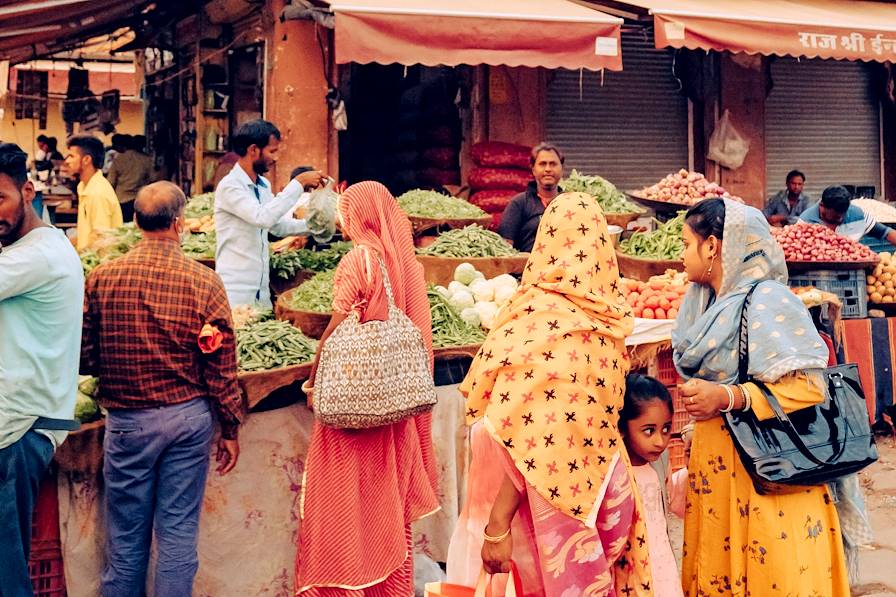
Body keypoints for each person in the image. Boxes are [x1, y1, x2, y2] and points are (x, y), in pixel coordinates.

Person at [448, 191, 652, 595]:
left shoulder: (526, 320)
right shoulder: (608, 326)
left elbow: (530, 443)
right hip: (604, 497)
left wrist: (496, 526)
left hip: (543, 512)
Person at [673, 197, 849, 595]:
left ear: (713, 246)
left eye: (687, 244)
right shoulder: (702, 303)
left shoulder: (768, 300)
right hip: (717, 470)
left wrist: (728, 397)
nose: (682, 256)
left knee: (771, 577)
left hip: (768, 476)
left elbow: (809, 387)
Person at [81, 181, 244, 596]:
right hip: (188, 420)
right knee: (177, 530)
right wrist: (230, 428)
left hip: (128, 423)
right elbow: (221, 366)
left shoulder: (101, 278)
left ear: (135, 221)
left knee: (126, 535)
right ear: (180, 223)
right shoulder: (204, 282)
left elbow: (85, 357)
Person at [295, 181, 439, 595]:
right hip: (393, 406)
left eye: (345, 213)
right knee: (383, 500)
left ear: (360, 216)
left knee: (345, 501)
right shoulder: (406, 264)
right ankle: (388, 583)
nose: (341, 223)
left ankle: (345, 582)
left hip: (355, 405)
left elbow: (339, 322)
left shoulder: (359, 259)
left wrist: (316, 369)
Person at [0, 143, 83, 594]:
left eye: (0, 199)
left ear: (28, 191)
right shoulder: (39, 246)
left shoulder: (34, 256)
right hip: (22, 425)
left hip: (16, 433)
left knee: (6, 574)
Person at [214, 119, 326, 307]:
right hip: (235, 291)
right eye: (272, 151)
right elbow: (262, 217)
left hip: (261, 291)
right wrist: (298, 183)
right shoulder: (230, 187)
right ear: (253, 150)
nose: (275, 158)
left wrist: (315, 226)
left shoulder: (263, 185)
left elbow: (277, 226)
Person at [619, 374, 686, 597]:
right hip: (631, 568)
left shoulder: (659, 463)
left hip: (661, 560)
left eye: (666, 429)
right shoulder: (617, 473)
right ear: (623, 427)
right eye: (649, 430)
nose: (660, 441)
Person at [497, 142, 564, 253]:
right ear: (533, 170)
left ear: (562, 169)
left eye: (553, 164)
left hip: (564, 269)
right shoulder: (519, 203)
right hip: (527, 268)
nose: (548, 169)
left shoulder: (570, 204)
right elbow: (505, 246)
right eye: (542, 164)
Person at [64, 135, 123, 250]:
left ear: (86, 160)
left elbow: (101, 241)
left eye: (72, 156)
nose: (67, 161)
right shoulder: (84, 186)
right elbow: (86, 233)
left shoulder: (97, 193)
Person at [800, 185, 896, 244]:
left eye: (843, 214)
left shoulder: (857, 215)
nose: (841, 219)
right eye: (835, 217)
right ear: (822, 206)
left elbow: (887, 233)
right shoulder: (805, 222)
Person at [107, 134, 155, 222]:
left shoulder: (119, 159)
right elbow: (152, 180)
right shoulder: (146, 160)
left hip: (121, 200)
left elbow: (110, 182)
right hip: (139, 200)